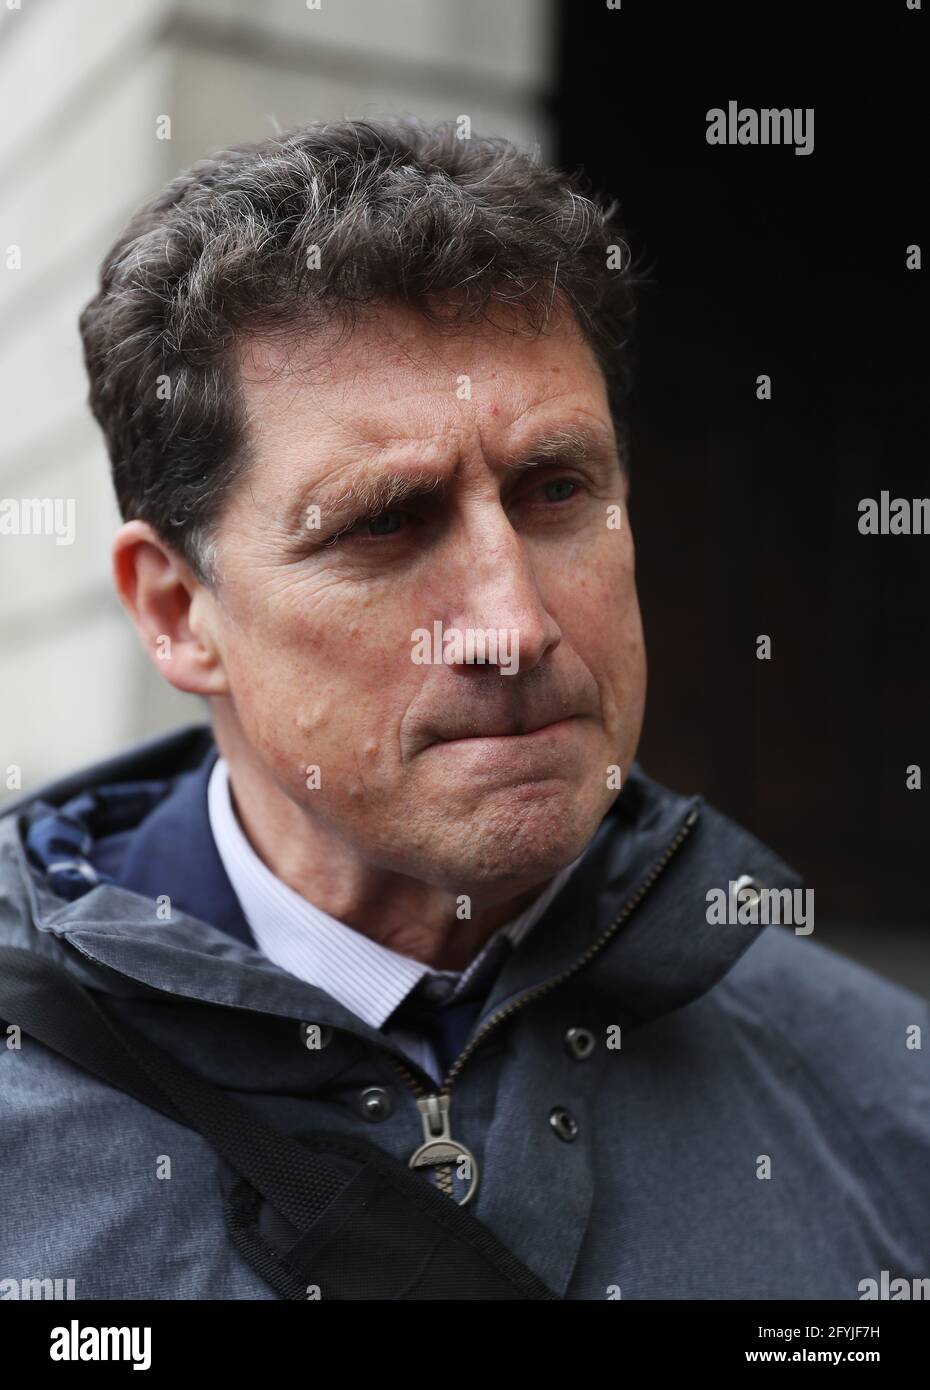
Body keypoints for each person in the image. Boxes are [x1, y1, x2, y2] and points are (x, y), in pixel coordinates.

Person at [1, 118, 927, 1301]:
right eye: (386, 521)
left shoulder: (879, 1096)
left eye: (555, 491)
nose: (516, 624)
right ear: (180, 612)